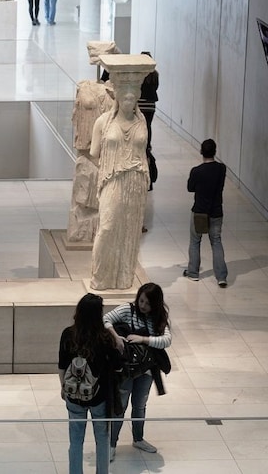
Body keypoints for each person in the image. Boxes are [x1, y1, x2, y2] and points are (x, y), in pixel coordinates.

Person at [89, 75, 149, 290]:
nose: (128, 101)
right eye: (124, 96)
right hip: (113, 179)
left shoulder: (141, 123)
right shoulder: (103, 122)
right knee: (107, 227)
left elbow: (143, 152)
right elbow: (95, 152)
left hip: (136, 181)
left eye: (132, 98)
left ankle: (123, 277)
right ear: (117, 97)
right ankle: (100, 277)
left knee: (129, 230)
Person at [104, 282, 172, 460]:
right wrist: (116, 337)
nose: (143, 306)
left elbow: (166, 340)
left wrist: (143, 339)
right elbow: (105, 319)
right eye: (141, 301)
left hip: (147, 371)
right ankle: (111, 444)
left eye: (148, 303)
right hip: (127, 369)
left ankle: (138, 438)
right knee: (120, 407)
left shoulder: (159, 318)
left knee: (140, 405)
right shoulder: (128, 309)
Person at [59, 293, 119, 474]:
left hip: (74, 396)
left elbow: (62, 365)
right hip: (99, 396)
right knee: (102, 439)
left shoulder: (68, 334)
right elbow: (116, 366)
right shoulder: (105, 337)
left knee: (76, 441)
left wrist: (64, 387)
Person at [185, 139, 228, 286]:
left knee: (195, 242)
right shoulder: (222, 169)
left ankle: (193, 273)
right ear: (215, 151)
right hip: (216, 211)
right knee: (216, 241)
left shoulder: (196, 171)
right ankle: (221, 276)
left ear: (201, 151)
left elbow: (190, 188)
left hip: (199, 211)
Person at [137, 51, 159, 151]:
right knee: (148, 125)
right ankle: (148, 145)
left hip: (140, 103)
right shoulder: (155, 74)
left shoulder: (138, 73)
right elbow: (156, 87)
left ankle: (140, 143)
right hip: (151, 104)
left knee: (139, 125)